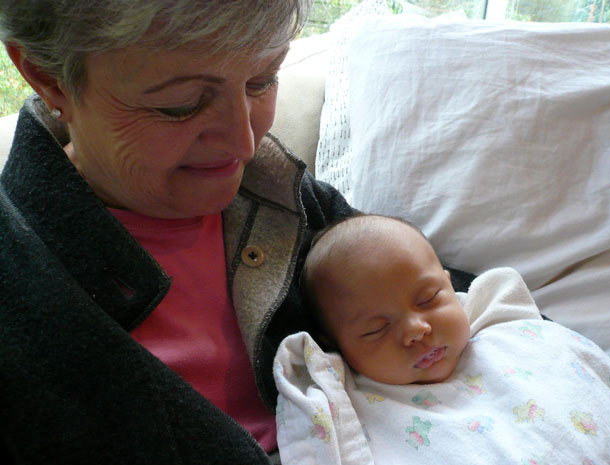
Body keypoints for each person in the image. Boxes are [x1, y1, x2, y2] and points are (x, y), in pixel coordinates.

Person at [0, 2, 477, 464]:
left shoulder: (280, 191)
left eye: (262, 80)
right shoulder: (23, 288)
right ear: (47, 77)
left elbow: (455, 307)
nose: (244, 142)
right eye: (180, 105)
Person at [274, 214, 610, 465]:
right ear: (335, 344)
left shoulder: (510, 335)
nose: (416, 329)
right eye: (377, 329)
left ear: (450, 284)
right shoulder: (349, 409)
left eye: (428, 299)